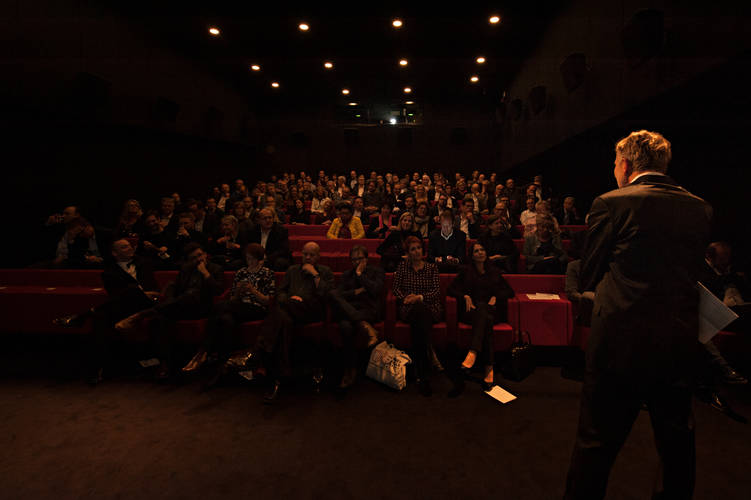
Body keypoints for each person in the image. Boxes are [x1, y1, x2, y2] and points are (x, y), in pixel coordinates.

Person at [564, 130, 713, 499]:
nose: (615, 170)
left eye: (616, 164)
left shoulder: (612, 203)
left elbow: (590, 273)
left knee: (596, 443)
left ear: (626, 165)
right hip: (677, 341)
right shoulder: (700, 207)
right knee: (676, 446)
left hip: (620, 343)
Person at [54, 239, 161, 384]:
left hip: (148, 303)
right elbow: (116, 296)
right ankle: (97, 369)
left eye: (129, 246)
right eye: (124, 247)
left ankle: (83, 315)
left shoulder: (145, 263)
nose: (130, 248)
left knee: (131, 291)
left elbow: (158, 282)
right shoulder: (109, 273)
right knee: (101, 319)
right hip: (123, 307)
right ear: (115, 253)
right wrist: (138, 293)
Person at [115, 243, 224, 380]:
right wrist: (171, 300)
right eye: (194, 258)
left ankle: (139, 316)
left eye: (200, 255)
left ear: (205, 254)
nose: (199, 259)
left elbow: (218, 290)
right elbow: (177, 289)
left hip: (201, 308)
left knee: (190, 295)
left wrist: (205, 273)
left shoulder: (215, 268)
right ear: (189, 260)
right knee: (158, 320)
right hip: (181, 306)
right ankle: (165, 363)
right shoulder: (186, 269)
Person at [256, 242, 335, 403]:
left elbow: (327, 295)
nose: (307, 257)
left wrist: (315, 275)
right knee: (284, 319)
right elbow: (281, 292)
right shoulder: (292, 270)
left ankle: (259, 350)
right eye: (305, 254)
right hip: (289, 310)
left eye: (311, 255)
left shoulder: (325, 271)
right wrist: (289, 299)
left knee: (280, 312)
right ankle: (280, 372)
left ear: (318, 256)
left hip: (311, 310)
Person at [182, 243, 275, 378]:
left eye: (252, 259)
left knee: (219, 307)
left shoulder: (267, 273)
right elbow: (232, 299)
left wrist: (253, 291)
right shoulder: (241, 272)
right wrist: (238, 292)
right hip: (238, 307)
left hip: (257, 307)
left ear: (259, 259)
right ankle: (223, 364)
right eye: (248, 258)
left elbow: (268, 301)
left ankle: (204, 350)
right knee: (226, 320)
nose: (250, 262)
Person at [448, 242, 515, 395]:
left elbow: (510, 292)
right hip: (472, 313)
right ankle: (489, 368)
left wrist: (496, 296)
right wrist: (464, 296)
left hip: (491, 310)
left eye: (482, 250)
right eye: (476, 251)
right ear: (472, 256)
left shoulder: (495, 272)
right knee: (486, 318)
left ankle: (473, 351)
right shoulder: (465, 271)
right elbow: (450, 289)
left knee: (484, 311)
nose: (480, 253)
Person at [328, 245, 384, 390]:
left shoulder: (376, 271)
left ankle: (350, 370)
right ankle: (350, 369)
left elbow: (376, 291)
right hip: (351, 310)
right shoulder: (346, 275)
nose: (357, 262)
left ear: (366, 259)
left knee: (344, 320)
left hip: (369, 310)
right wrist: (355, 292)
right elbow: (339, 294)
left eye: (360, 259)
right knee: (344, 324)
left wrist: (360, 275)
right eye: (353, 260)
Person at [392, 236, 442, 397]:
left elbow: (436, 292)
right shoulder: (402, 267)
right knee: (419, 313)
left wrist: (419, 297)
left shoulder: (432, 267)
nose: (417, 251)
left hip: (430, 307)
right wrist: (406, 299)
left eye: (419, 248)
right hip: (409, 308)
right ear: (408, 252)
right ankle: (428, 356)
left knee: (420, 313)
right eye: (413, 249)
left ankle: (420, 371)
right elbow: (396, 289)